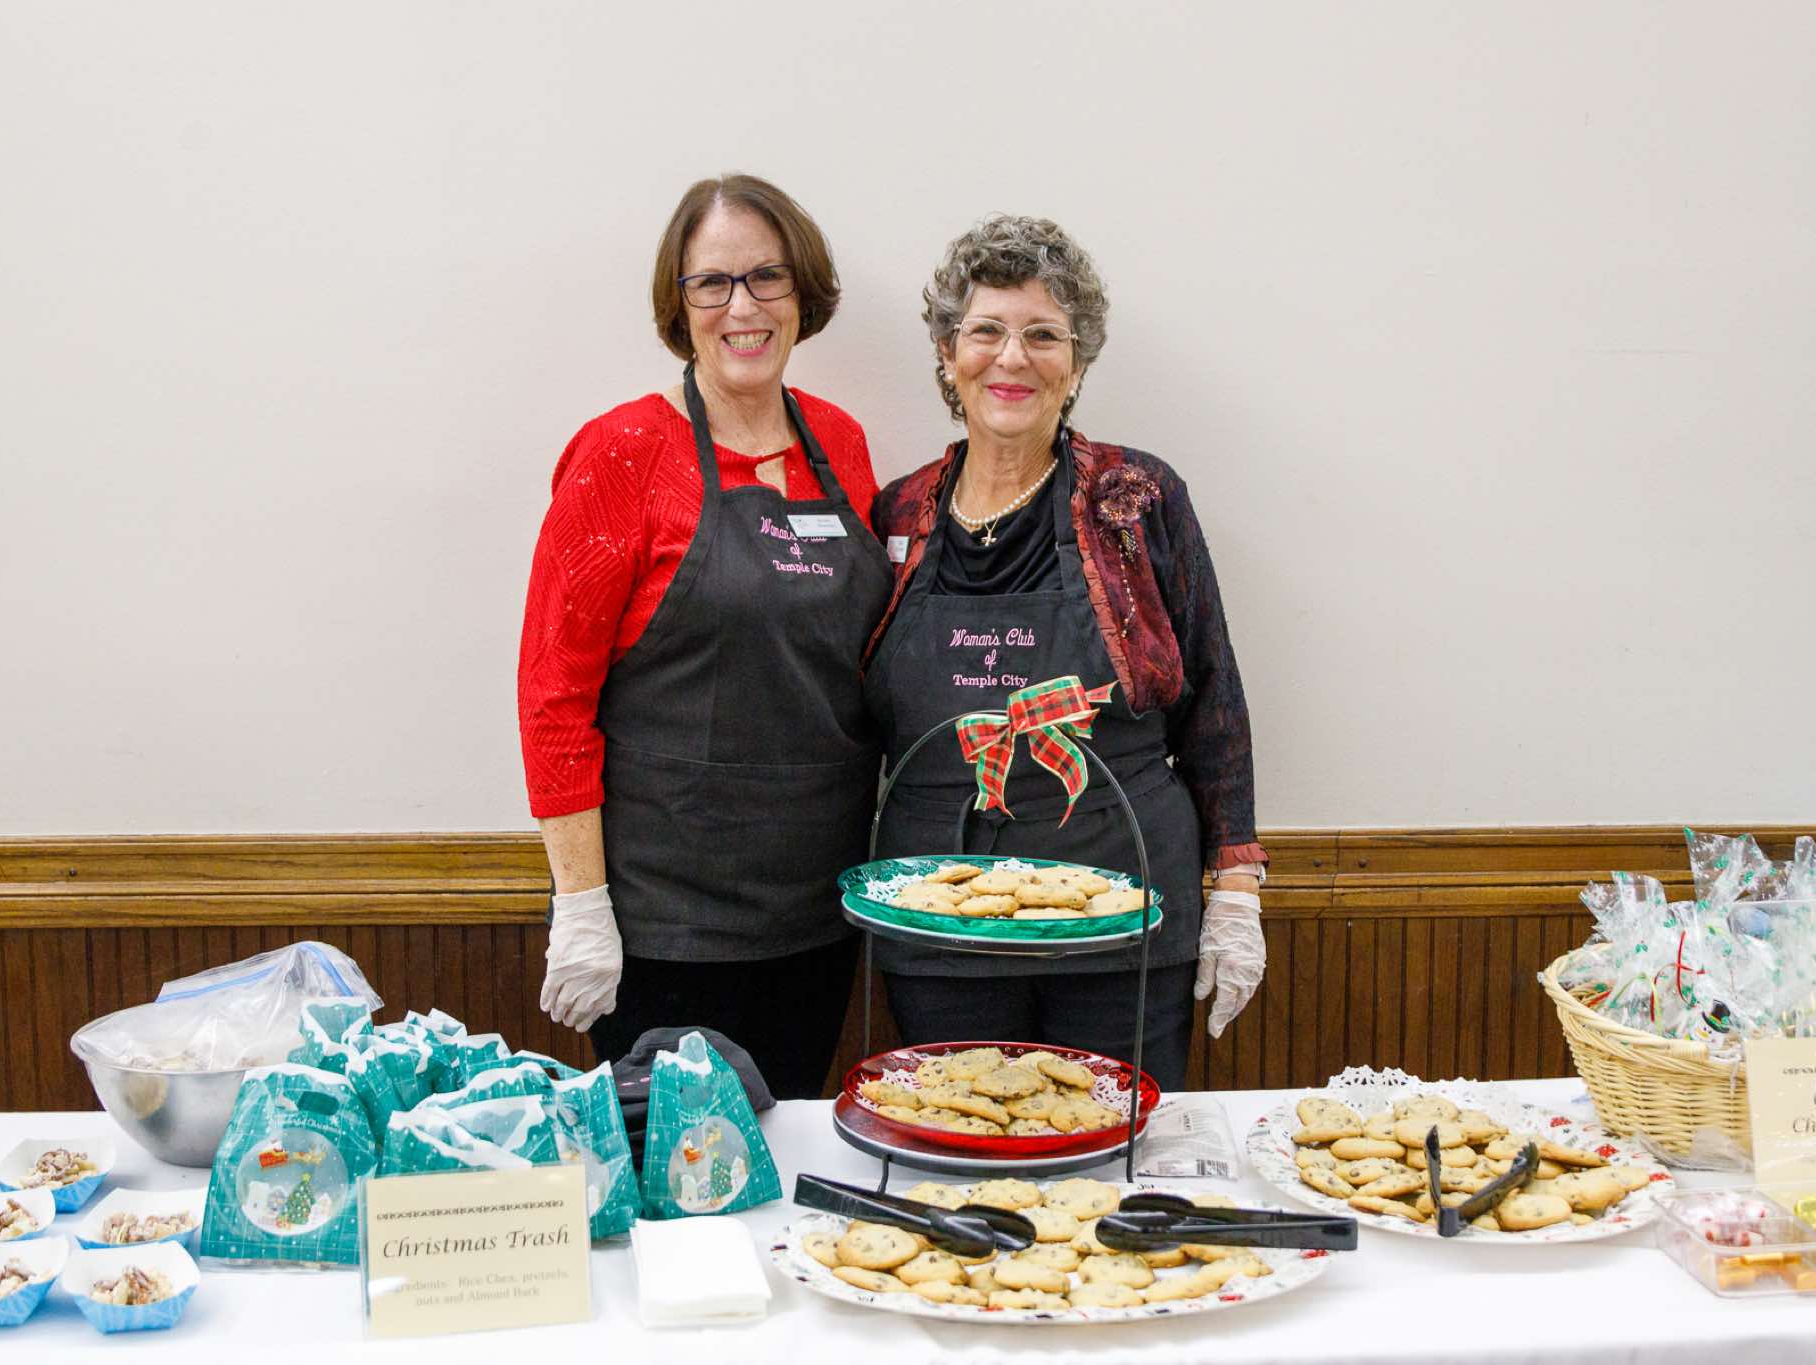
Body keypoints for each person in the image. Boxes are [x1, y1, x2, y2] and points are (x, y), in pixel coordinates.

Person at [862, 215, 1267, 1090]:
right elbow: (852, 724)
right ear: (947, 354)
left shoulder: (1137, 498)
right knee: (961, 1137)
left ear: (1076, 365)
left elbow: (1215, 699)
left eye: (1044, 335)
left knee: (1109, 1148)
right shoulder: (896, 514)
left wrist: (1236, 887)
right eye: (986, 331)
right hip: (937, 916)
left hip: (1122, 907)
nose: (1012, 357)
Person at [518, 174, 888, 1098]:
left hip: (816, 910)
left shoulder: (840, 443)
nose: (742, 307)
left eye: (766, 276)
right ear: (679, 305)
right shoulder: (623, 452)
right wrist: (582, 904)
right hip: (667, 922)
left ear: (802, 291)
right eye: (712, 283)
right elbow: (553, 694)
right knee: (681, 1165)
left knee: (782, 1148)